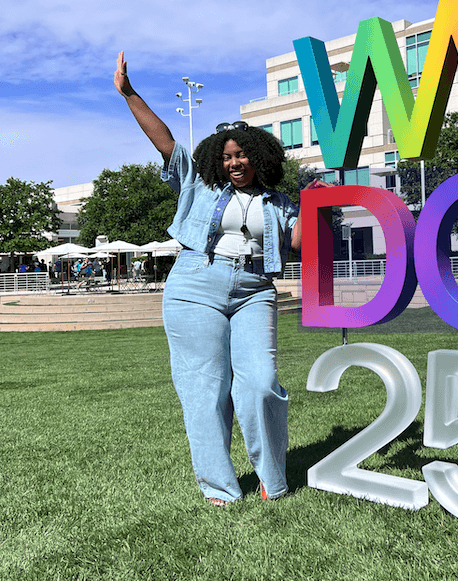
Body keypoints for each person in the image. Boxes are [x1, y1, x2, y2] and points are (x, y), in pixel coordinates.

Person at [114, 51, 325, 507]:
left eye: (242, 154)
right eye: (227, 155)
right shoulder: (199, 186)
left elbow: (301, 247)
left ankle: (273, 477)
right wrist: (130, 94)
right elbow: (165, 141)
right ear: (217, 159)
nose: (234, 162)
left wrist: (310, 203)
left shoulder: (279, 200)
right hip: (195, 285)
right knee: (204, 388)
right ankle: (218, 486)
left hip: (254, 290)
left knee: (261, 382)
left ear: (259, 156)